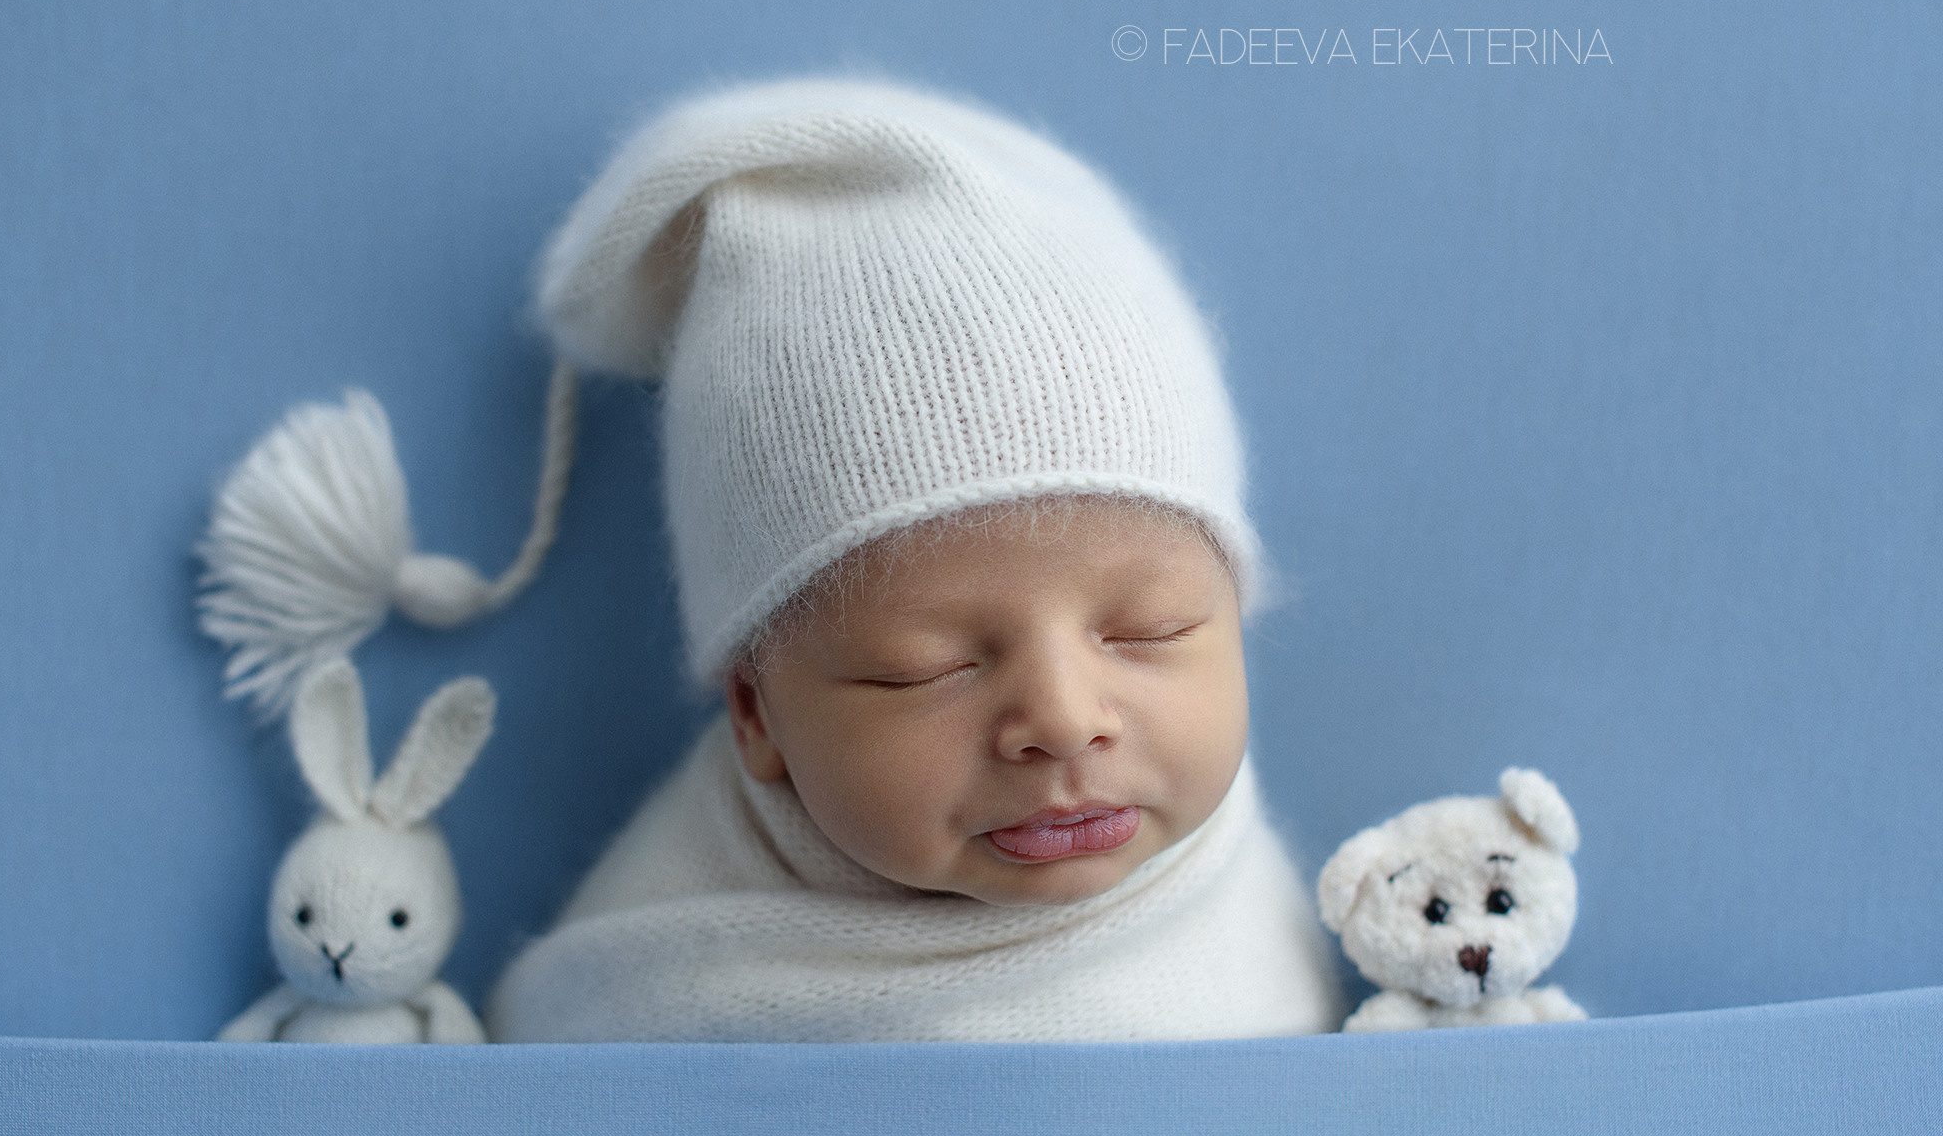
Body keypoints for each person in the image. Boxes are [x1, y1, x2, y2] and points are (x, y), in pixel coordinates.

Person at [479, 74, 1344, 1041]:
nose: (1061, 721)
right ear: (756, 712)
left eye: (1152, 629)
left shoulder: (1248, 907)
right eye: (925, 668)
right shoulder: (647, 994)